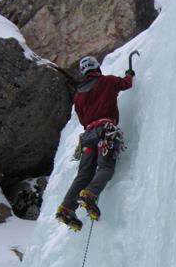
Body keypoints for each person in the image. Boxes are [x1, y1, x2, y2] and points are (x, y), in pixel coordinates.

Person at [56, 55, 134, 231]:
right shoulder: (107, 81)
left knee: (84, 174)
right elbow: (126, 84)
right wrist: (129, 74)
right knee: (105, 167)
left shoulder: (78, 95)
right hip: (105, 131)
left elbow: (83, 119)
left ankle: (67, 208)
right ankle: (90, 195)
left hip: (88, 136)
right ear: (97, 67)